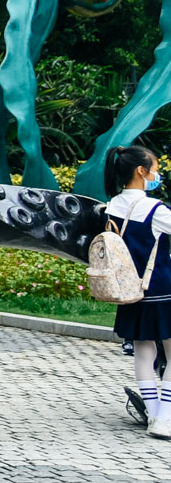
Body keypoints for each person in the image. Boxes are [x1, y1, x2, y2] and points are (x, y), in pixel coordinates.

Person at [103, 144, 171, 438]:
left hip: (130, 289)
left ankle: (153, 414)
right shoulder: (155, 210)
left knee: (144, 351)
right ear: (141, 172)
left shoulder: (112, 206)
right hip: (161, 289)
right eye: (154, 168)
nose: (157, 174)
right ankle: (165, 419)